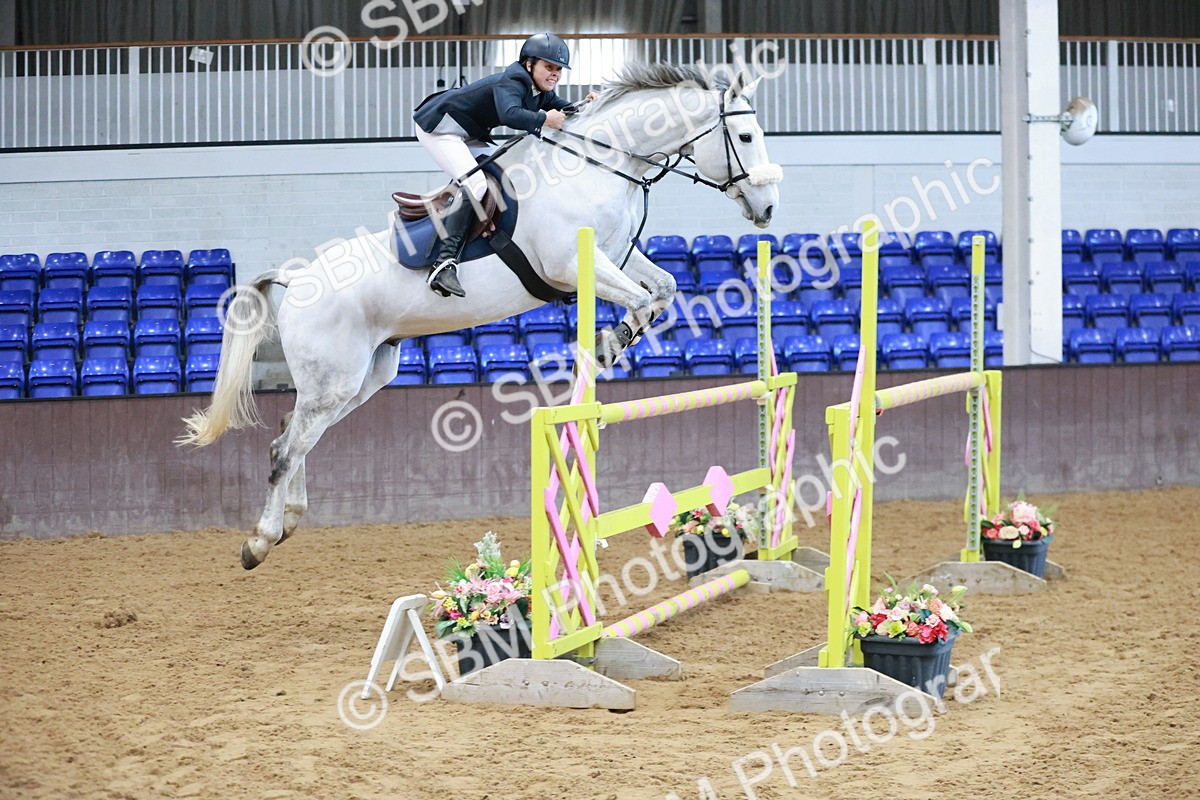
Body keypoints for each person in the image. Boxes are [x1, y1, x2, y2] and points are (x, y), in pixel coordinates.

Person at [412, 33, 594, 298]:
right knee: (476, 183)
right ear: (529, 64)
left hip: (468, 132)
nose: (555, 74)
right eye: (549, 67)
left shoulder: (540, 90)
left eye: (558, 69)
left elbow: (565, 111)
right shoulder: (513, 80)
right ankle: (443, 265)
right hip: (441, 128)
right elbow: (510, 115)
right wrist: (544, 119)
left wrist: (590, 106)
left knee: (505, 176)